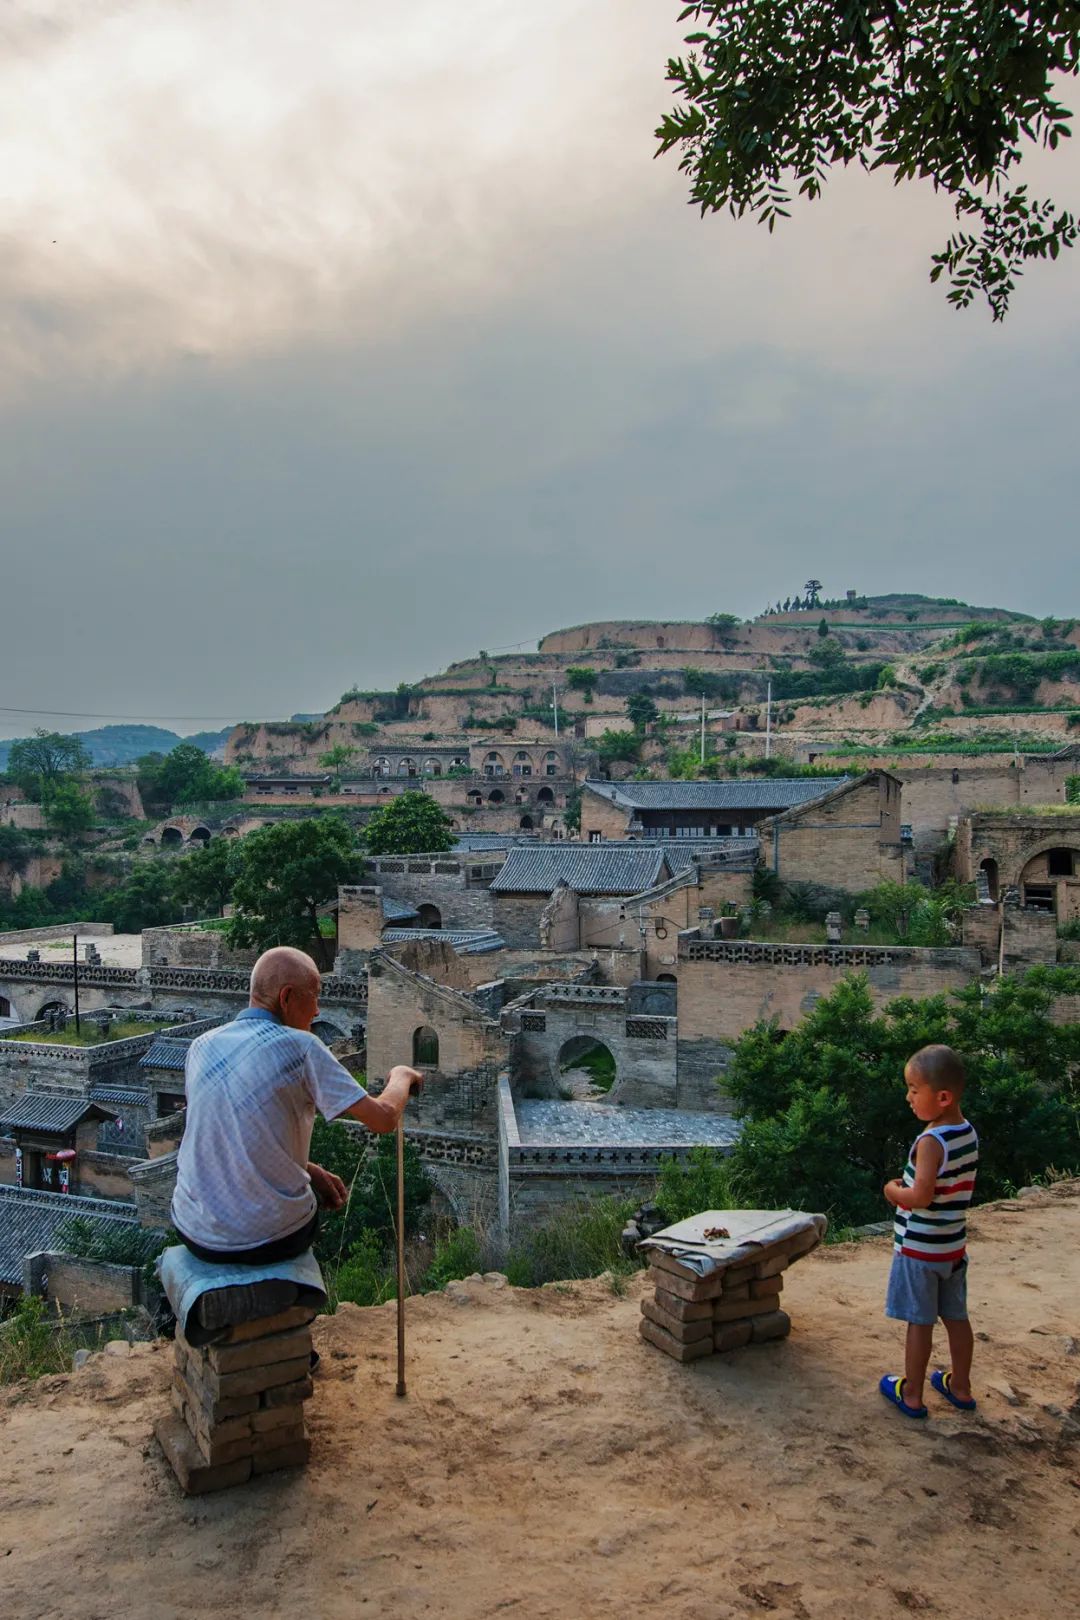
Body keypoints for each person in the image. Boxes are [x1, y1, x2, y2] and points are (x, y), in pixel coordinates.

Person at [171, 945, 421, 1264]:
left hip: (193, 1231)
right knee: (310, 1218)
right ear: (287, 997)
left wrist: (309, 1170)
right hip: (268, 1240)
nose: (317, 1011)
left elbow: (232, 1134)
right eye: (314, 996)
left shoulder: (201, 1045)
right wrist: (401, 1076)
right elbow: (383, 1120)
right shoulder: (301, 1047)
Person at [879, 1044, 979, 1420]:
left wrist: (893, 1192)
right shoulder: (966, 1132)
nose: (908, 1097)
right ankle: (960, 1387)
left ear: (942, 1097)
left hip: (920, 1251)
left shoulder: (930, 1143)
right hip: (952, 1248)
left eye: (913, 1090)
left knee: (919, 1322)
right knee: (957, 1317)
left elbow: (920, 1196)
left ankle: (913, 1395)